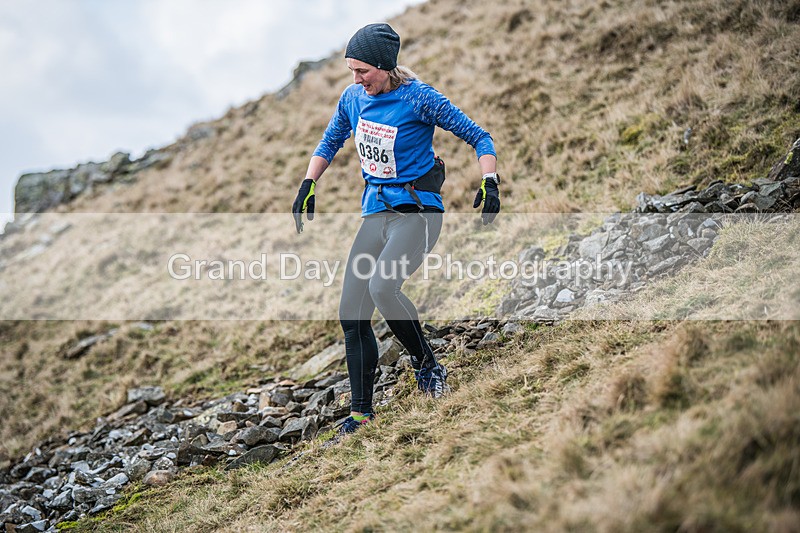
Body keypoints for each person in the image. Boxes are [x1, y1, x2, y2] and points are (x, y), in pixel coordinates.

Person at [292, 22, 501, 435]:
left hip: (419, 213)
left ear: (385, 66)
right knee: (351, 313)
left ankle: (428, 367)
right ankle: (360, 414)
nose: (356, 79)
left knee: (382, 288)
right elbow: (330, 141)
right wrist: (307, 183)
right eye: (351, 70)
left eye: (362, 70)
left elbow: (480, 136)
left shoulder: (418, 98)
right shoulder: (353, 99)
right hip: (376, 213)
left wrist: (489, 182)